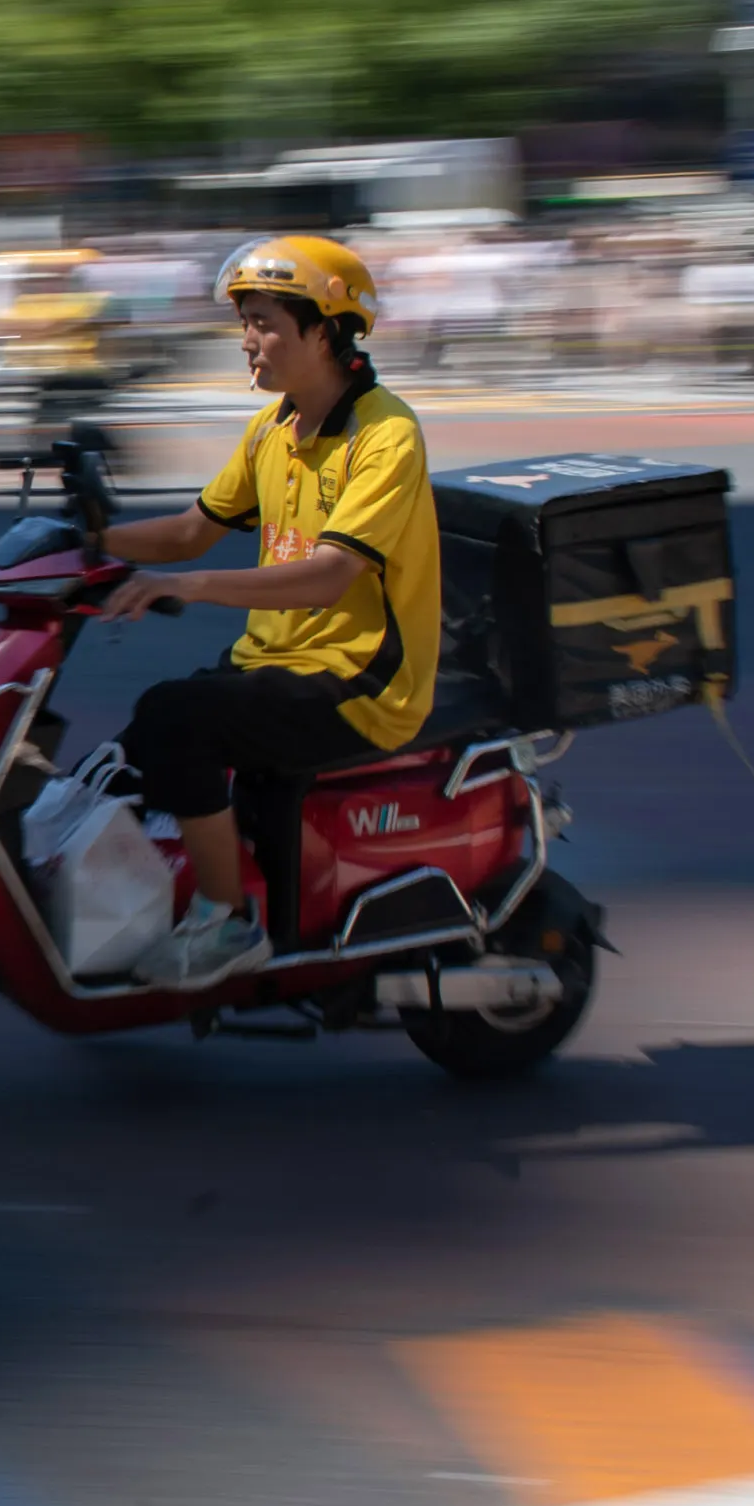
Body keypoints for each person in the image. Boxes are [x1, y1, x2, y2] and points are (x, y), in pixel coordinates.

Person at [87, 236, 440, 991]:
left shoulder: (385, 436)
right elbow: (190, 530)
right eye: (244, 321)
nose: (248, 340)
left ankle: (228, 921)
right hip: (276, 665)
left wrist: (192, 588)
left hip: (358, 683)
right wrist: (82, 541)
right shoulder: (274, 430)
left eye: (265, 322)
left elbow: (332, 575)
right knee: (121, 766)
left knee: (173, 718)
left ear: (328, 331)